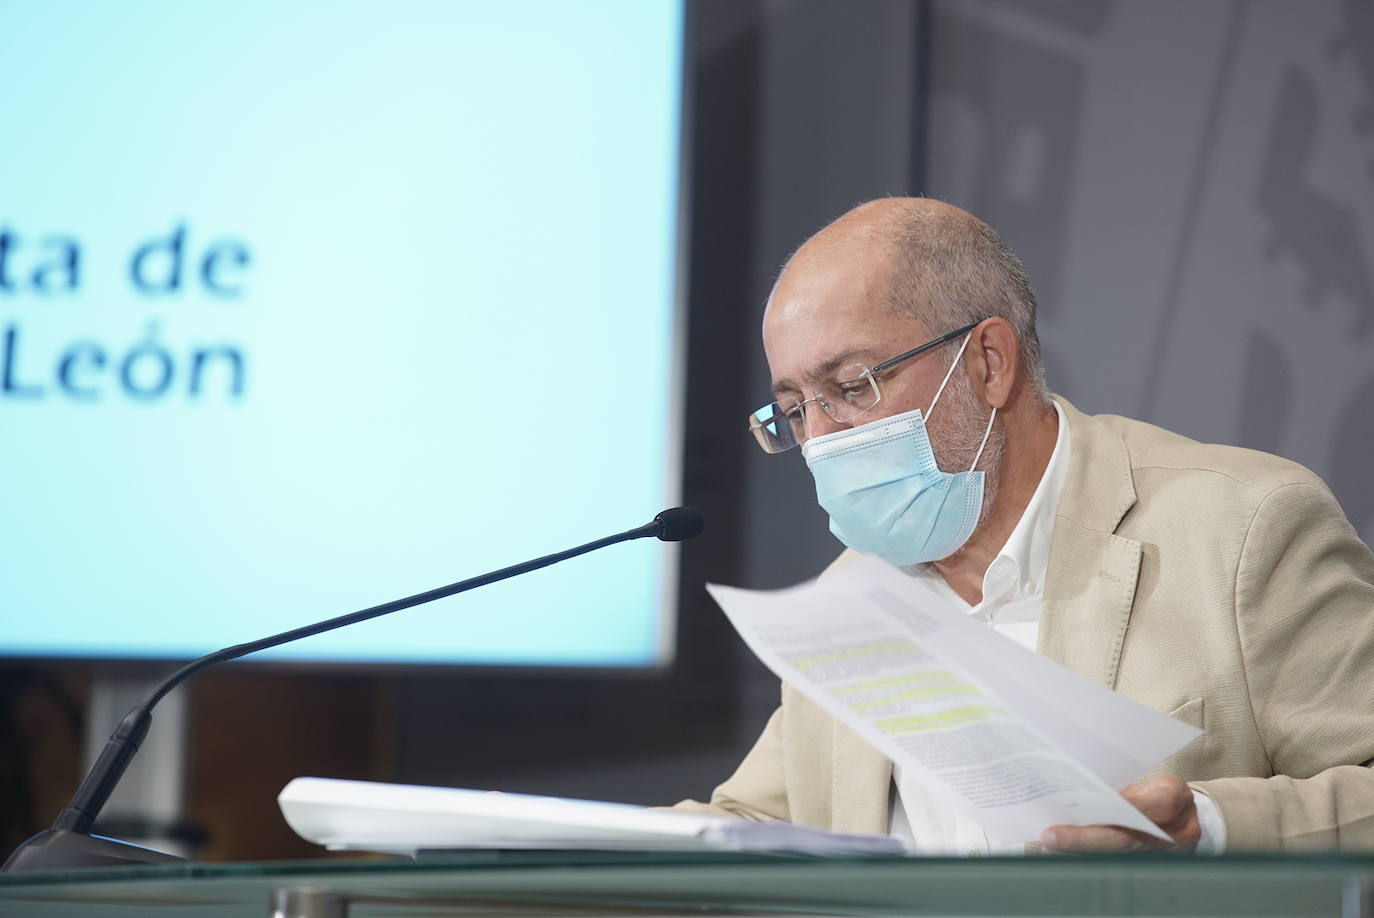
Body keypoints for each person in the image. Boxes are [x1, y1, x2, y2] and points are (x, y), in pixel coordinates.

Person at [678, 198, 1374, 853]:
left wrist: (1210, 827)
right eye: (795, 409)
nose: (822, 440)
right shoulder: (850, 598)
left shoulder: (1243, 528)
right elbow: (753, 824)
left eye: (853, 386)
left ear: (988, 363)